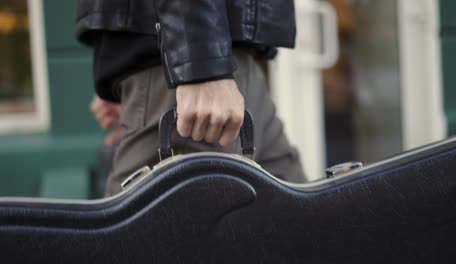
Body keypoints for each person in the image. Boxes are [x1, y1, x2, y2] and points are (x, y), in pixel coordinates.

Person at [76, 0, 306, 196]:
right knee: (142, 241)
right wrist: (198, 62)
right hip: (193, 70)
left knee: (301, 233)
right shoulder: (200, 65)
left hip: (229, 66)